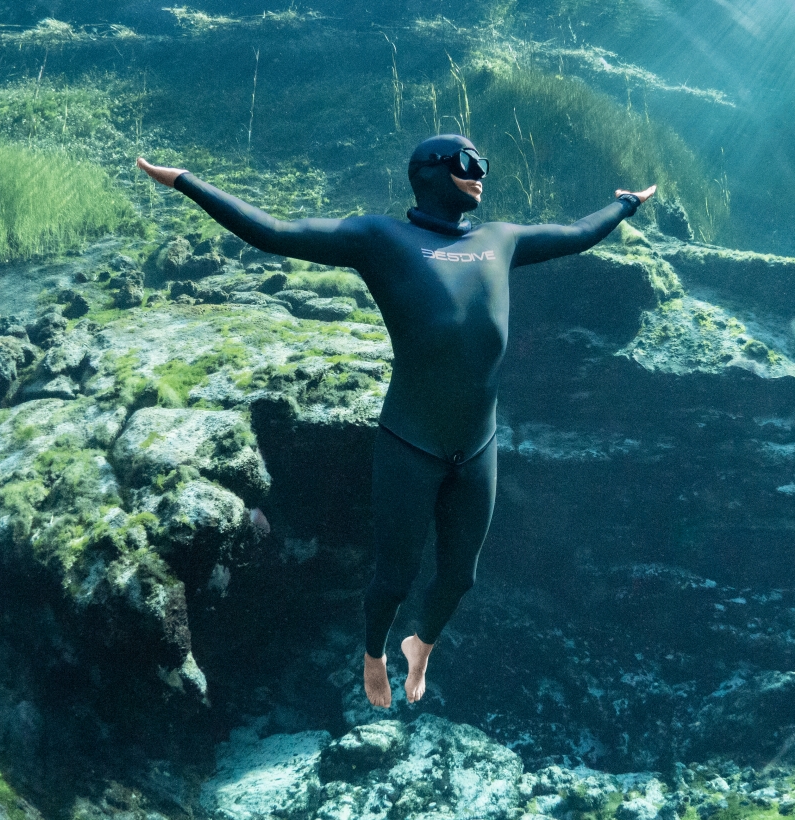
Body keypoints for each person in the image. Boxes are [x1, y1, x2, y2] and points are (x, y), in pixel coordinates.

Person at [138, 134, 654, 708]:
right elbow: (274, 231)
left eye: (483, 162)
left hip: (477, 446)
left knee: (460, 578)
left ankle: (420, 647)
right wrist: (185, 181)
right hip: (410, 442)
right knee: (394, 578)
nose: (480, 172)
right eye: (467, 162)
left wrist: (626, 204)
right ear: (428, 171)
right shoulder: (380, 239)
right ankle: (373, 655)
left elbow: (577, 234)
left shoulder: (500, 240)